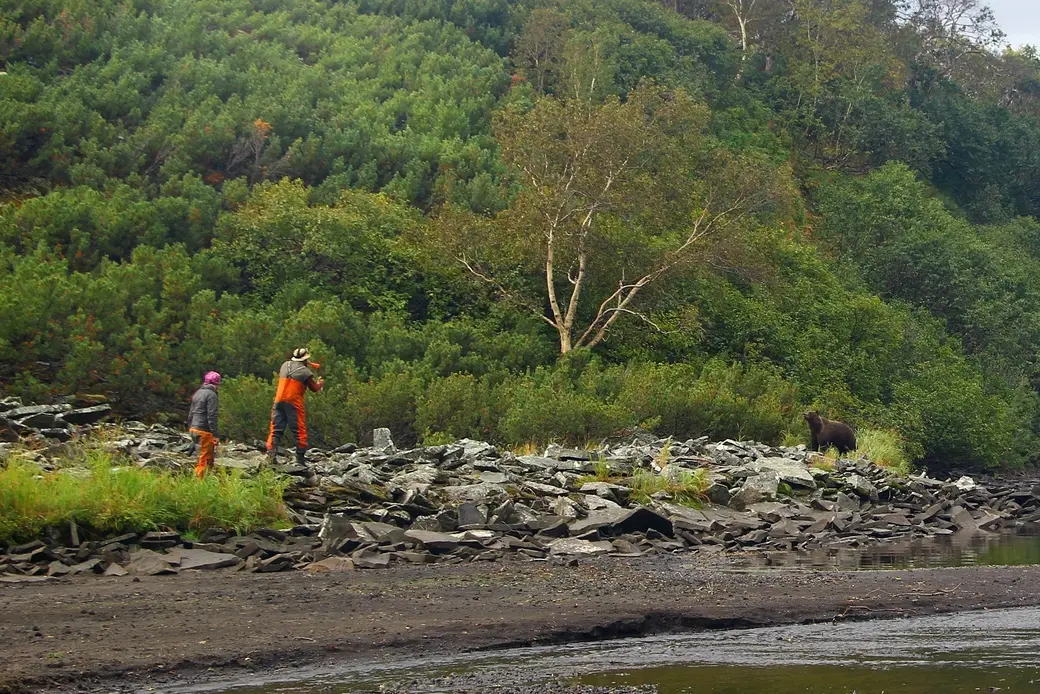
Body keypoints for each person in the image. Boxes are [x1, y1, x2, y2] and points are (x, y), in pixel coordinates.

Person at [266, 348, 324, 464]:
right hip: (293, 402)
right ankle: (300, 460)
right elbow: (314, 389)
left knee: (275, 429)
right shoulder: (306, 373)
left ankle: (271, 456)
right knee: (299, 430)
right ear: (305, 359)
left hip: (278, 401)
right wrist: (320, 383)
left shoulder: (284, 365)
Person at [188, 371, 221, 479]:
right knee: (204, 460)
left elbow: (191, 413)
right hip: (204, 431)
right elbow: (212, 416)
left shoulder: (197, 393)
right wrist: (215, 434)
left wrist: (190, 428)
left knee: (204, 459)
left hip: (194, 429)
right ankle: (198, 486)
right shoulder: (212, 395)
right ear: (216, 383)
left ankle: (205, 481)